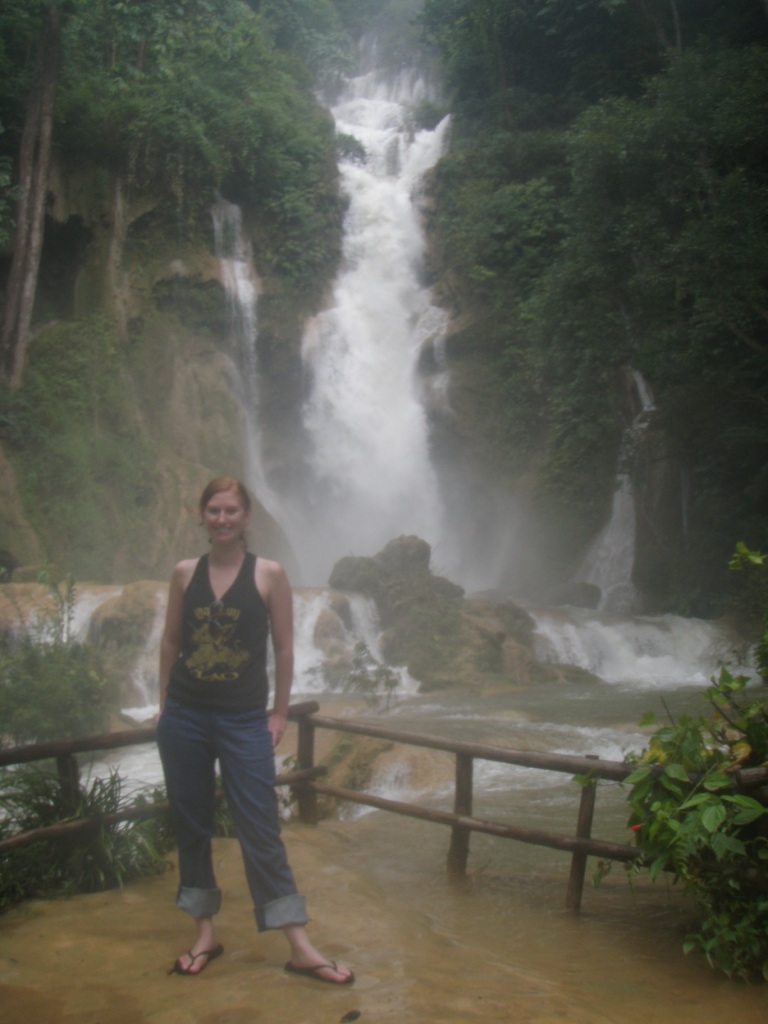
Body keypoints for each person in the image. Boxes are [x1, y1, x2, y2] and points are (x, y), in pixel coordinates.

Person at [156, 475, 353, 984]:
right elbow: (171, 642)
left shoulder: (269, 574)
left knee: (260, 830)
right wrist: (163, 708)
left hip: (244, 719)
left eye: (231, 511)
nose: (222, 519)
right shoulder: (184, 573)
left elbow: (286, 647)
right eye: (214, 510)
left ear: (246, 518)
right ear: (202, 515)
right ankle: (204, 935)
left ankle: (299, 945)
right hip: (185, 717)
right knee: (191, 824)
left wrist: (280, 712)